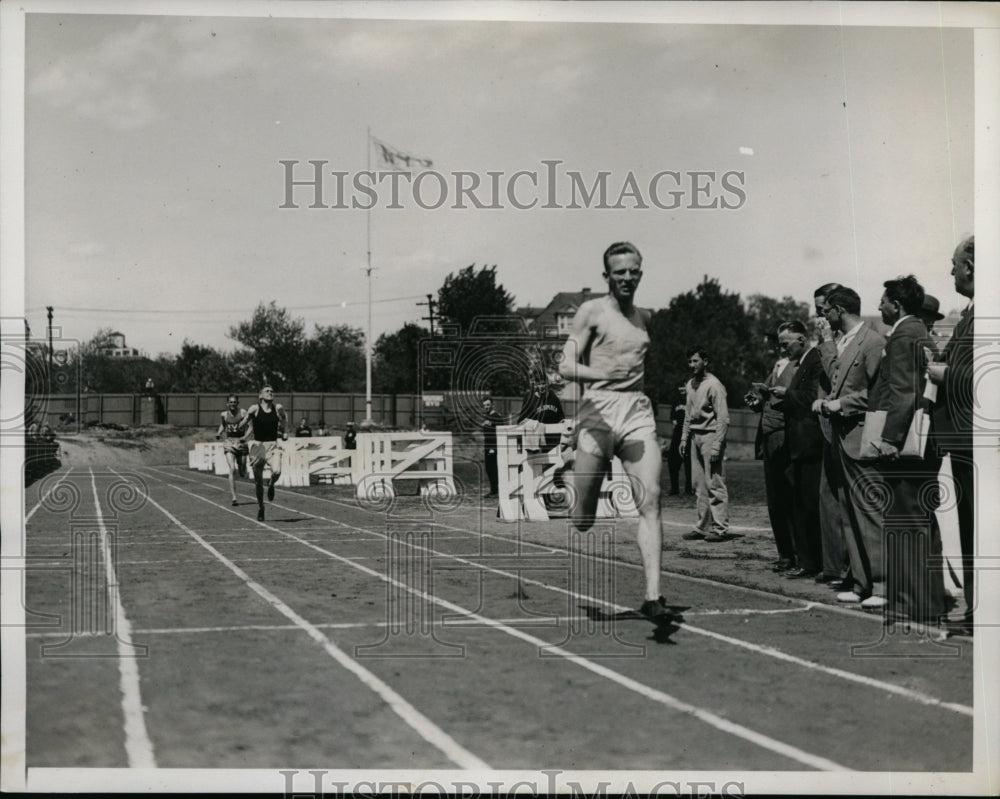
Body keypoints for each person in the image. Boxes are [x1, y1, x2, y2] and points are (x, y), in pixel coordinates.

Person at [558, 241, 668, 619]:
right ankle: (582, 469)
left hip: (636, 411)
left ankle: (653, 597)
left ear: (641, 272)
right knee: (582, 520)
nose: (627, 277)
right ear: (607, 276)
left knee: (651, 497)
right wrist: (602, 373)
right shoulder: (591, 311)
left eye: (633, 270)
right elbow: (565, 365)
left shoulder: (644, 318)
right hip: (597, 413)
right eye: (619, 272)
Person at [869, 276, 946, 630]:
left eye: (883, 302)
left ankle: (914, 605)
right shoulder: (918, 330)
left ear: (896, 305)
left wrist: (889, 438)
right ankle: (924, 601)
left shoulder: (902, 334)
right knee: (920, 521)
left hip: (907, 445)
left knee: (905, 521)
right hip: (926, 442)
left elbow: (902, 392)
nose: (880, 307)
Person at [812, 287, 886, 606]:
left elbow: (876, 395)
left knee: (870, 512)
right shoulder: (843, 342)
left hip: (861, 436)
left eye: (826, 310)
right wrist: (829, 402)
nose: (823, 317)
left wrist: (838, 403)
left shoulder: (872, 341)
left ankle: (881, 586)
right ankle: (861, 584)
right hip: (842, 438)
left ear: (839, 310)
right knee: (848, 512)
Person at [927, 235, 975, 636]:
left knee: (979, 526)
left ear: (971, 267)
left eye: (954, 263)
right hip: (965, 441)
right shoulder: (971, 315)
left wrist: (946, 374)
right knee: (971, 525)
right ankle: (977, 603)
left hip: (977, 442)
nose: (951, 271)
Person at [770, 321, 824, 579]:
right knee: (801, 503)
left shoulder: (814, 359)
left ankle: (814, 562)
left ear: (802, 339)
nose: (782, 349)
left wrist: (786, 394)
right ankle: (808, 561)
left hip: (810, 443)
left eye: (786, 344)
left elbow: (813, 397)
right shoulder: (804, 361)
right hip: (800, 443)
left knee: (809, 504)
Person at [746, 347, 796, 571]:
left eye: (786, 343)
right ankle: (784, 552)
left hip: (786, 437)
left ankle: (798, 553)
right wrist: (756, 400)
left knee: (791, 497)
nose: (782, 348)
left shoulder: (800, 365)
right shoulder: (778, 366)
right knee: (775, 500)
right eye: (780, 343)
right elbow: (763, 397)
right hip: (768, 438)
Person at [813, 282, 848, 584]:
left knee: (843, 497)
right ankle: (833, 566)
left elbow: (835, 375)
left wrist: (826, 341)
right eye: (816, 312)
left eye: (823, 311)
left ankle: (847, 568)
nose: (819, 318)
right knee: (827, 497)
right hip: (825, 424)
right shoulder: (824, 340)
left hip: (843, 424)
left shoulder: (842, 340)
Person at [681, 346, 730, 543]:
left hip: (710, 436)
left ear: (705, 362)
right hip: (695, 437)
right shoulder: (691, 384)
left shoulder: (714, 385)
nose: (692, 365)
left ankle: (720, 528)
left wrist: (718, 444)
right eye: (690, 361)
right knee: (699, 484)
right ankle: (702, 527)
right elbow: (688, 412)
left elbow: (723, 418)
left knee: (714, 483)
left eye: (696, 361)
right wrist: (684, 437)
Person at [242, 385, 288, 521]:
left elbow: (284, 418)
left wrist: (285, 431)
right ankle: (261, 507)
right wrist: (240, 433)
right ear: (260, 395)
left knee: (277, 471)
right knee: (258, 482)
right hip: (258, 446)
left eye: (272, 391)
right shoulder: (254, 409)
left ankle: (271, 484)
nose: (270, 393)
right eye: (267, 391)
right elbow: (245, 422)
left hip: (273, 445)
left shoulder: (278, 408)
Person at [517, 367, 566, 450]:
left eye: (544, 383)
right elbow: (521, 420)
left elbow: (561, 418)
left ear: (548, 383)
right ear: (535, 385)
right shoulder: (529, 398)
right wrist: (532, 423)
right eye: (539, 384)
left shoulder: (553, 397)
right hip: (536, 443)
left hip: (553, 441)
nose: (542, 386)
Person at [216, 394, 249, 505]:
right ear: (227, 404)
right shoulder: (224, 414)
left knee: (242, 471)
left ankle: (242, 468)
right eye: (231, 402)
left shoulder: (243, 413)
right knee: (231, 468)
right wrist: (219, 432)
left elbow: (250, 426)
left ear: (237, 403)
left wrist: (245, 436)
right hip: (229, 442)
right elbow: (223, 425)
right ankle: (234, 497)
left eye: (234, 402)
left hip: (241, 443)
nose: (232, 404)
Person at [666, 385, 693, 496]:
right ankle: (674, 488)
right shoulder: (675, 401)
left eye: (684, 389)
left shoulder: (693, 399)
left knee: (690, 462)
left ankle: (689, 488)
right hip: (677, 434)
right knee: (672, 460)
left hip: (690, 433)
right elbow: (672, 418)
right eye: (680, 389)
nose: (682, 391)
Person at [481, 397, 505, 496]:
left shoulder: (496, 417)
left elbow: (498, 433)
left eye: (488, 405)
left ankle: (497, 491)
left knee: (494, 469)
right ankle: (494, 490)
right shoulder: (486, 417)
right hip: (487, 446)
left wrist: (493, 448)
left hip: (494, 447)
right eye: (484, 405)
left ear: (492, 405)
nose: (486, 407)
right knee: (489, 468)